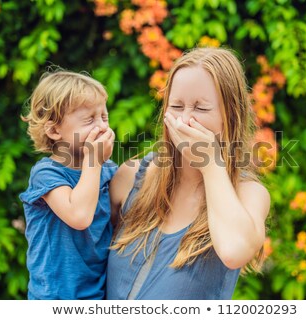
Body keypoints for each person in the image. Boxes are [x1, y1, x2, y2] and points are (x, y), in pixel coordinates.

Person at [107, 47, 271, 300]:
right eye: (176, 106)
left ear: (231, 116)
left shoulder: (248, 195)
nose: (184, 120)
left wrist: (211, 164)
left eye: (200, 108)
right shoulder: (132, 176)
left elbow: (234, 251)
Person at [19, 70, 116, 299]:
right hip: (56, 298)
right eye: (90, 119)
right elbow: (79, 216)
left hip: (98, 296)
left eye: (104, 117)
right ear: (54, 130)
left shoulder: (107, 169)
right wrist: (93, 161)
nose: (102, 127)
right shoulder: (46, 173)